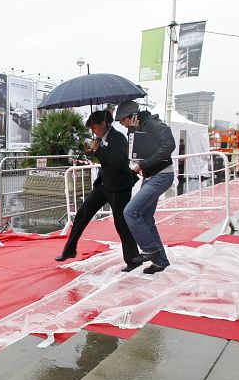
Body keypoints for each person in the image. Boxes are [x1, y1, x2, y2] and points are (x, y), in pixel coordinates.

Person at [54, 110, 140, 272]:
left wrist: (98, 150)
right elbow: (105, 161)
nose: (93, 132)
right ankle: (69, 249)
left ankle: (133, 259)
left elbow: (116, 162)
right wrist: (92, 152)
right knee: (82, 214)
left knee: (121, 223)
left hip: (119, 187)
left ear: (103, 124)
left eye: (94, 128)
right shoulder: (100, 138)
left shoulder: (119, 138)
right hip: (103, 185)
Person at [115, 100, 176, 274]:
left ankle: (149, 250)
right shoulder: (137, 127)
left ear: (132, 116)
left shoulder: (153, 123)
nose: (121, 123)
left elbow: (170, 144)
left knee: (131, 211)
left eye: (122, 120)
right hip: (150, 176)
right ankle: (160, 262)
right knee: (146, 218)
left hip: (162, 174)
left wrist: (145, 164)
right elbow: (134, 152)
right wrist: (132, 131)